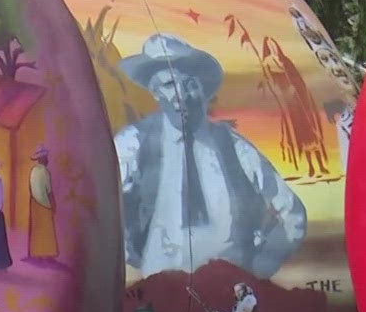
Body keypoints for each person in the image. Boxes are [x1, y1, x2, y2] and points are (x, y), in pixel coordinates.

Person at [114, 33, 306, 278]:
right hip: (161, 287)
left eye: (189, 84)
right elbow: (98, 207)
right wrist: (128, 254)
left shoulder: (234, 148)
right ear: (155, 93)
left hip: (231, 289)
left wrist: (259, 269)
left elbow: (292, 214)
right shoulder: (134, 144)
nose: (181, 95)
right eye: (168, 85)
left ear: (204, 90)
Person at [27, 144, 57, 260]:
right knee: (46, 229)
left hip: (34, 202)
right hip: (44, 203)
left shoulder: (33, 171)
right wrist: (53, 204)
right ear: (43, 158)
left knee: (37, 228)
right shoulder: (45, 172)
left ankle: (36, 253)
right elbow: (49, 191)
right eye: (46, 157)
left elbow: (30, 188)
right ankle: (47, 254)